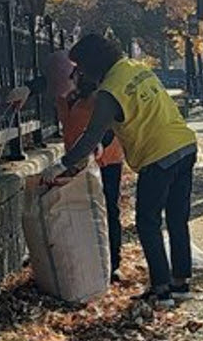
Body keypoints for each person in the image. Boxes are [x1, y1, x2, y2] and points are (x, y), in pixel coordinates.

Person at [41, 34, 198, 309]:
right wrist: (100, 145)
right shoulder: (135, 68)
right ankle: (180, 283)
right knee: (176, 219)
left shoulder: (109, 91)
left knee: (147, 223)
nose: (79, 73)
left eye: (81, 66)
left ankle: (161, 291)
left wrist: (62, 164)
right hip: (185, 145)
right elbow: (122, 121)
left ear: (93, 64)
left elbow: (91, 134)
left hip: (157, 157)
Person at [8, 51, 127, 283]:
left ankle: (113, 264)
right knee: (81, 209)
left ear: (77, 75)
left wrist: (100, 145)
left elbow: (107, 123)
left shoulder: (96, 91)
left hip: (107, 158)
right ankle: (88, 258)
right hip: (75, 162)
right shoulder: (61, 89)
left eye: (65, 86)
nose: (61, 94)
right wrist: (26, 90)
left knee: (108, 210)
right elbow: (46, 81)